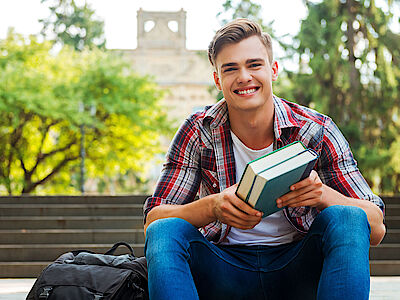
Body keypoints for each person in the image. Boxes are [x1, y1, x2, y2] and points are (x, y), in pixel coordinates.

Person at [143, 19, 386, 300]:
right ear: (217, 79)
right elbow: (153, 222)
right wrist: (212, 207)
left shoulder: (316, 129)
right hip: (223, 270)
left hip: (299, 269)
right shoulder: (198, 130)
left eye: (254, 65)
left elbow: (376, 226)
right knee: (166, 230)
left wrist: (322, 195)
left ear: (273, 70)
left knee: (347, 216)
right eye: (230, 69)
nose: (244, 76)